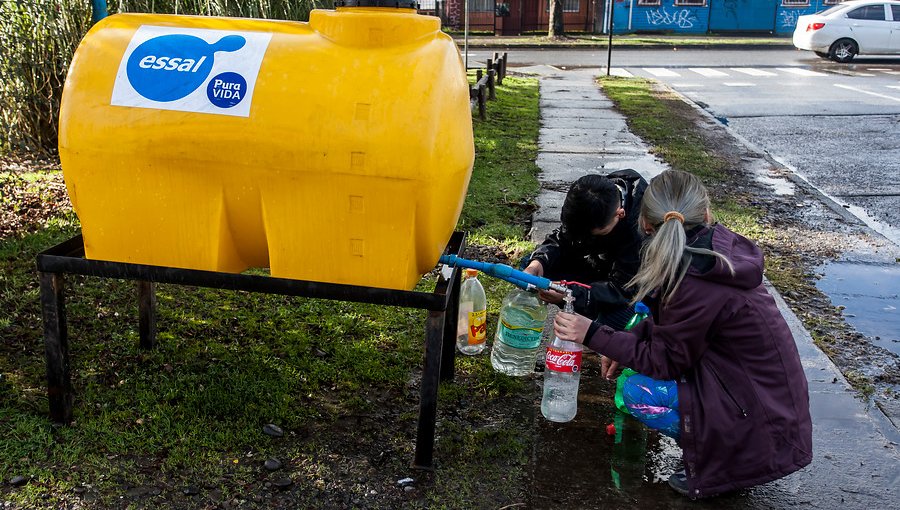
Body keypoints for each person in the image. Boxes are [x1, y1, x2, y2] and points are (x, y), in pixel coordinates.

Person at [553, 170, 812, 499]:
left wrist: (593, 334)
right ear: (705, 214)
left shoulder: (692, 280)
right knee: (635, 371)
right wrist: (622, 343)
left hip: (761, 421)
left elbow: (666, 361)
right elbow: (676, 329)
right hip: (760, 399)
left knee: (636, 392)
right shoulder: (705, 255)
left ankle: (724, 461)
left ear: (644, 224)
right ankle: (720, 448)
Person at [523, 170, 648, 330]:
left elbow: (624, 289)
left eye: (595, 234)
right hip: (596, 264)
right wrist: (538, 262)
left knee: (625, 320)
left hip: (627, 282)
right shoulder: (591, 196)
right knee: (531, 268)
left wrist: (571, 295)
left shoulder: (641, 227)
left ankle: (595, 326)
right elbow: (561, 239)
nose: (583, 239)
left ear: (620, 214)